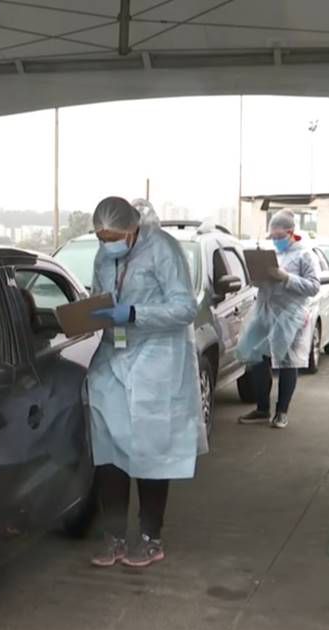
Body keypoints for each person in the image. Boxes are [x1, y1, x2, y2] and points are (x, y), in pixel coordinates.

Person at [86, 196, 205, 569]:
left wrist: (135, 312)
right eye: (101, 237)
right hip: (113, 355)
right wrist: (92, 313)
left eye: (114, 236)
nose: (108, 243)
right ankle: (115, 537)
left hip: (156, 358)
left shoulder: (163, 250)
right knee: (108, 450)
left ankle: (151, 539)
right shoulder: (104, 254)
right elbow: (97, 295)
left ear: (133, 227)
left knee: (151, 451)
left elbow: (186, 308)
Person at [236, 210, 321, 429]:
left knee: (286, 362)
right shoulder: (272, 252)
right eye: (272, 237)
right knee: (255, 355)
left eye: (279, 237)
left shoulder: (304, 255)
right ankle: (262, 408)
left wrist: (286, 278)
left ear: (291, 233)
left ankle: (282, 411)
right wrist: (257, 278)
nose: (275, 241)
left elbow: (313, 287)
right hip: (264, 310)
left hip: (290, 314)